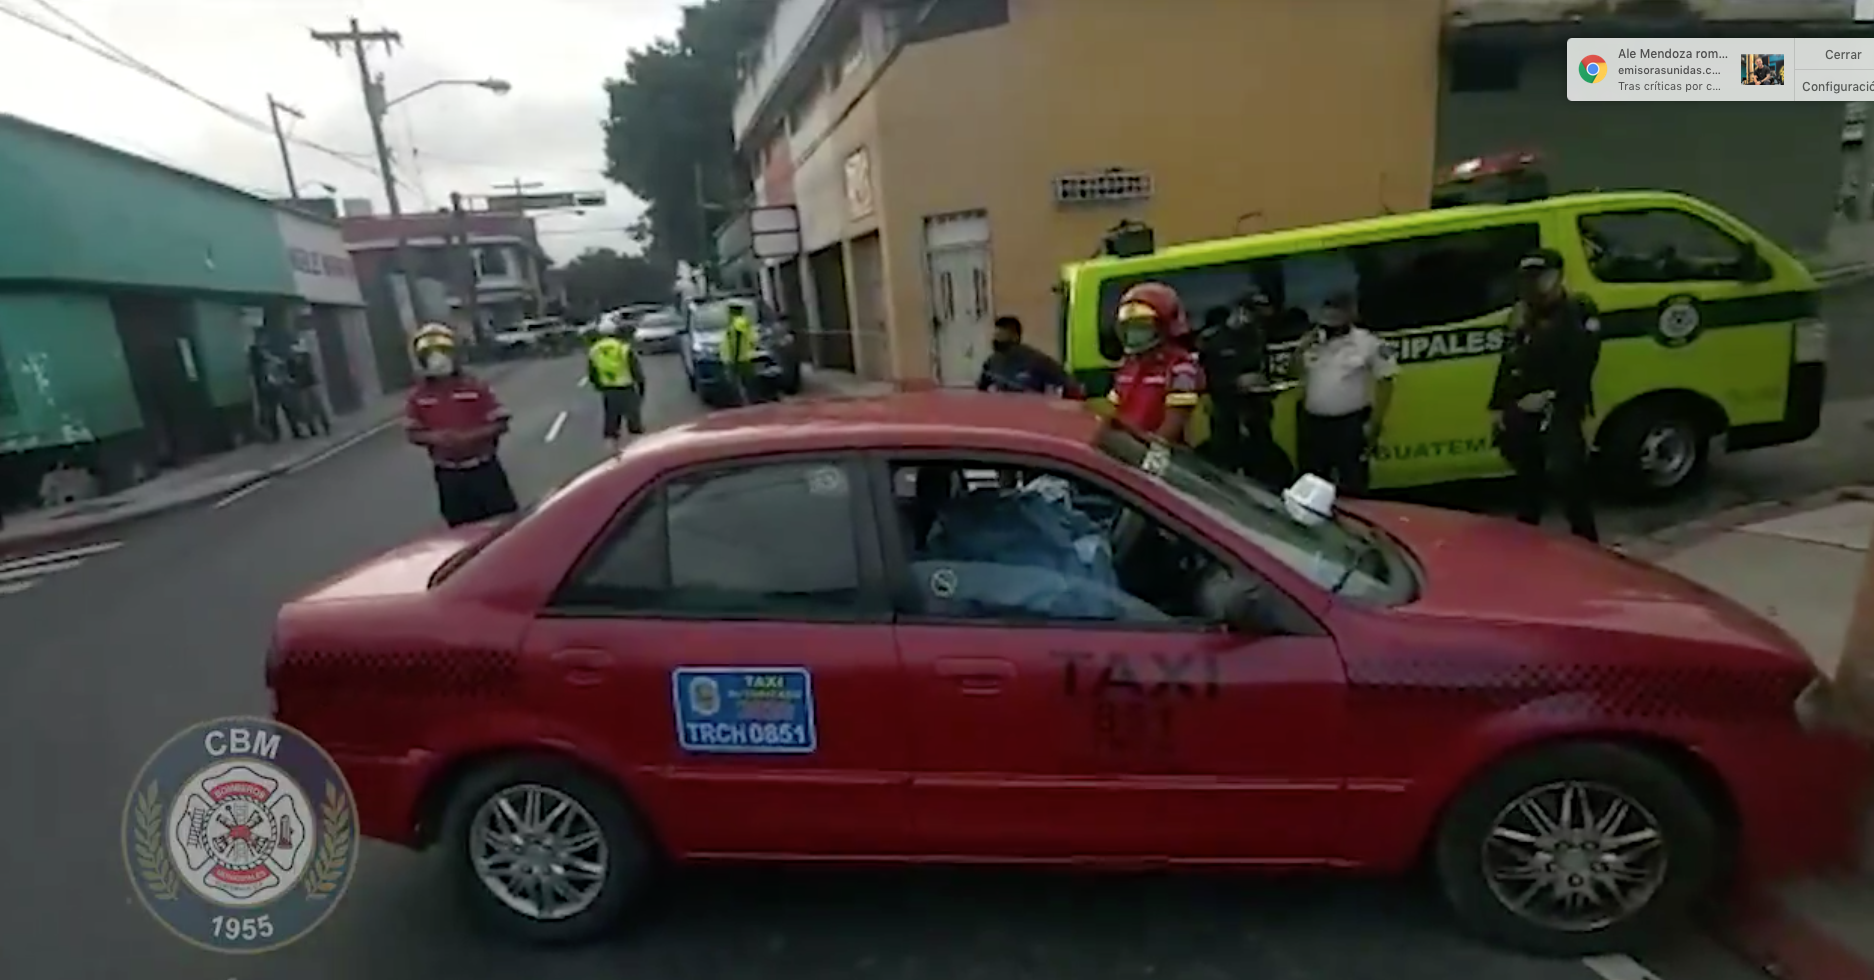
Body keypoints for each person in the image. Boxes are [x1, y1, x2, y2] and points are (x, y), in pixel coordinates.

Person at [1490, 247, 1603, 542]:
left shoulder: (1578, 310)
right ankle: (1527, 544)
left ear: (1557, 278)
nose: (1532, 285)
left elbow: (1583, 361)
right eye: (1527, 279)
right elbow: (1509, 360)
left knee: (1569, 480)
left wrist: (1550, 396)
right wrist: (1500, 404)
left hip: (1561, 405)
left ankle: (1587, 545)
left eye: (1539, 278)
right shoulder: (1520, 314)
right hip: (1522, 408)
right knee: (1527, 483)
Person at [403, 324, 519, 528]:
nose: (437, 359)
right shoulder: (419, 396)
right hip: (449, 475)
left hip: (484, 469)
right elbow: (412, 432)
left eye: (443, 352)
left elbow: (501, 422)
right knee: (460, 531)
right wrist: (436, 438)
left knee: (505, 526)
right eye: (430, 354)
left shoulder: (475, 387)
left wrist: (470, 437)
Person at [1292, 292, 1396, 495]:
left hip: (1349, 424)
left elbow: (1386, 380)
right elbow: (1294, 373)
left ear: (1348, 316)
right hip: (1313, 425)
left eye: (1336, 318)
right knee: (1311, 485)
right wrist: (1300, 349)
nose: (1329, 325)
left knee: (1353, 483)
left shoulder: (1368, 343)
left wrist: (1375, 423)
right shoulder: (1313, 343)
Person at [1194, 294, 1293, 488]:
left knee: (1261, 455)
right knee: (1224, 457)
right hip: (1225, 412)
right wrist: (1234, 382)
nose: (1254, 320)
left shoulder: (1256, 335)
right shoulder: (1212, 340)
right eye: (1252, 314)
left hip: (1256, 410)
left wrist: (1263, 382)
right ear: (1240, 310)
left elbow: (1262, 366)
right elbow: (1203, 379)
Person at [1106, 282, 1205, 444]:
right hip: (1127, 451)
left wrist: (1150, 462)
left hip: (1160, 457)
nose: (1133, 334)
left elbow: (1172, 427)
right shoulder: (1128, 367)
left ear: (1164, 325)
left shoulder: (1181, 368)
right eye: (1128, 328)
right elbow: (1112, 415)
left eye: (1142, 326)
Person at [976, 315, 1080, 396]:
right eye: (996, 335)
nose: (996, 339)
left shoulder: (1036, 360)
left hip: (1030, 414)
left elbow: (1066, 382)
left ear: (1015, 337)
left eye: (1001, 335)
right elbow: (981, 390)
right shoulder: (992, 362)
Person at [587, 319, 646, 454]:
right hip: (627, 389)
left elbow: (592, 374)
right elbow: (636, 370)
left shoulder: (594, 351)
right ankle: (638, 453)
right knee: (634, 422)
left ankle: (613, 456)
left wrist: (600, 387)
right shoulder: (623, 348)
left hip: (609, 392)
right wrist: (641, 388)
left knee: (611, 423)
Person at [247, 336, 303, 441]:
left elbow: (280, 366)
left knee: (282, 411)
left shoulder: (265, 358)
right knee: (277, 412)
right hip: (271, 387)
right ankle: (283, 433)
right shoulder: (260, 359)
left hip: (273, 386)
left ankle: (285, 433)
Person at [285, 340, 332, 436]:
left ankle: (325, 425)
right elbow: (290, 375)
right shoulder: (290, 362)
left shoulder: (306, 358)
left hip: (310, 384)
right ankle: (313, 429)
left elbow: (311, 369)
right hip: (301, 387)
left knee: (318, 407)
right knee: (306, 410)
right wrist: (292, 381)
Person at [723, 301, 762, 405]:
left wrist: (733, 358)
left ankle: (744, 402)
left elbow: (736, 342)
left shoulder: (738, 323)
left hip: (738, 358)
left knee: (739, 382)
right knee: (746, 381)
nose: (728, 314)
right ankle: (749, 401)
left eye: (730, 311)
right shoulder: (741, 322)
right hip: (743, 357)